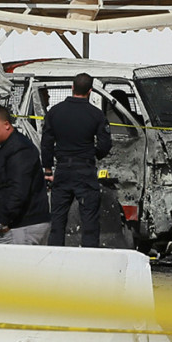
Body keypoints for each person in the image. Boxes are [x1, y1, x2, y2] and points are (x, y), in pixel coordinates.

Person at [41, 73, 112, 247]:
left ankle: (55, 259)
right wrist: (93, 154)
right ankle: (89, 262)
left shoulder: (55, 112)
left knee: (57, 222)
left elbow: (47, 143)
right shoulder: (96, 115)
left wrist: (48, 169)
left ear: (72, 87)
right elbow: (105, 144)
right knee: (89, 223)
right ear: (90, 91)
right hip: (85, 170)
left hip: (63, 170)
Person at [0, 106, 50, 244]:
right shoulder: (6, 148)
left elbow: (18, 189)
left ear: (6, 125)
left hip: (20, 227)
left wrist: (3, 220)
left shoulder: (19, 149)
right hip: (15, 226)